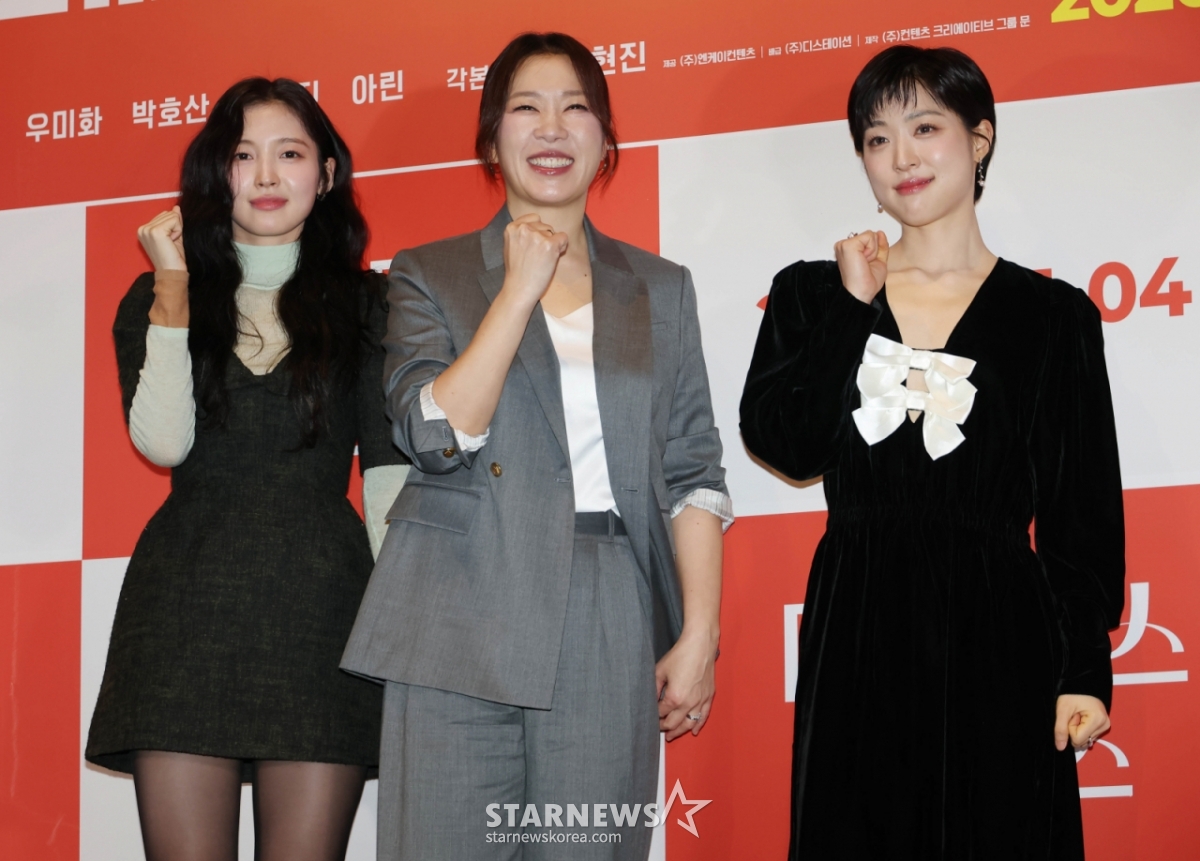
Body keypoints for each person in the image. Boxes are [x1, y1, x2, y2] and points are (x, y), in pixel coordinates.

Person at [340, 32, 731, 861]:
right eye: (526, 108)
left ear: (605, 140)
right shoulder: (426, 273)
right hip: (456, 604)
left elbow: (692, 469)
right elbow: (432, 433)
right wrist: (519, 288)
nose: (552, 128)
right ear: (491, 138)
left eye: (575, 107)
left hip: (605, 606)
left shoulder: (662, 288)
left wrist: (699, 633)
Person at [740, 45, 1125, 859]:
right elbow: (787, 443)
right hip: (860, 618)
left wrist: (1083, 665)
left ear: (979, 139)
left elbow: (1077, 509)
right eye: (877, 139)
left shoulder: (1054, 317)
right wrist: (853, 307)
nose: (902, 156)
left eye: (925, 127)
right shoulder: (815, 290)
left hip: (1001, 629)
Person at [85, 78, 408, 861]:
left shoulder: (371, 305)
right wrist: (172, 286)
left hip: (322, 614)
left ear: (326, 174)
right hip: (185, 611)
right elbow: (163, 443)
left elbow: (391, 474)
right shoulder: (156, 297)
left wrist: (405, 629)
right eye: (242, 155)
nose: (265, 176)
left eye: (290, 153)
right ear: (214, 174)